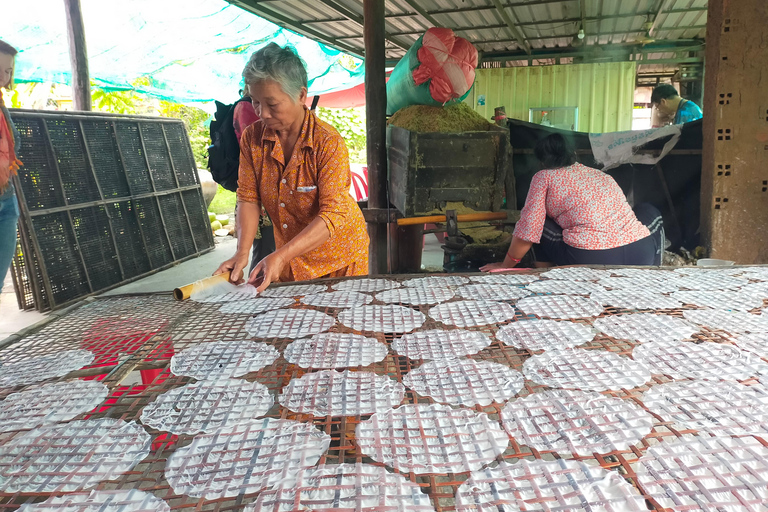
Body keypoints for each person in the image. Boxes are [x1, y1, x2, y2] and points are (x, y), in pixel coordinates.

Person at [215, 43, 369, 291]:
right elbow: (248, 199)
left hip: (340, 259)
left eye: (272, 104)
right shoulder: (252, 139)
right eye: (254, 101)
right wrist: (241, 254)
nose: (262, 113)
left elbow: (333, 214)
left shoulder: (327, 142)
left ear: (300, 95)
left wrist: (282, 255)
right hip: (290, 259)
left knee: (342, 326)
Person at [480, 134, 662, 270]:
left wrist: (504, 266)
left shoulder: (544, 177)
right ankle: (655, 271)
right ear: (573, 155)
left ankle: (545, 274)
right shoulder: (600, 175)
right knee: (648, 211)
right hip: (641, 252)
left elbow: (529, 230)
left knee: (537, 222)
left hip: (591, 257)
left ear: (542, 162)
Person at [0, 40, 22, 289]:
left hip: (6, 198)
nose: (3, 77)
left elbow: (16, 146)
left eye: (8, 71)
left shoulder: (1, 105)